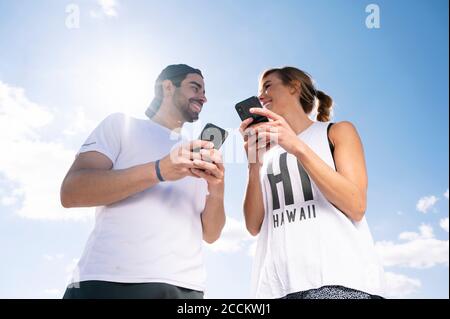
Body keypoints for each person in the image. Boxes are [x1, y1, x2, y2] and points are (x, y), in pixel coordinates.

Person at [61, 64, 226, 299]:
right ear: (168, 87)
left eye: (204, 91)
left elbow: (211, 234)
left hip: (185, 289)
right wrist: (160, 169)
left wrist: (217, 189)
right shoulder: (121, 125)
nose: (203, 97)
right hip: (109, 281)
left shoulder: (196, 153)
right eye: (195, 87)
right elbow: (71, 192)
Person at [240, 66, 384, 299]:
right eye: (260, 91)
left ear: (294, 87)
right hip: (278, 289)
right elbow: (253, 225)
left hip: (338, 282)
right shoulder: (268, 153)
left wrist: (297, 147)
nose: (261, 96)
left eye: (268, 86)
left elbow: (356, 205)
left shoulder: (336, 131)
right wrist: (253, 164)